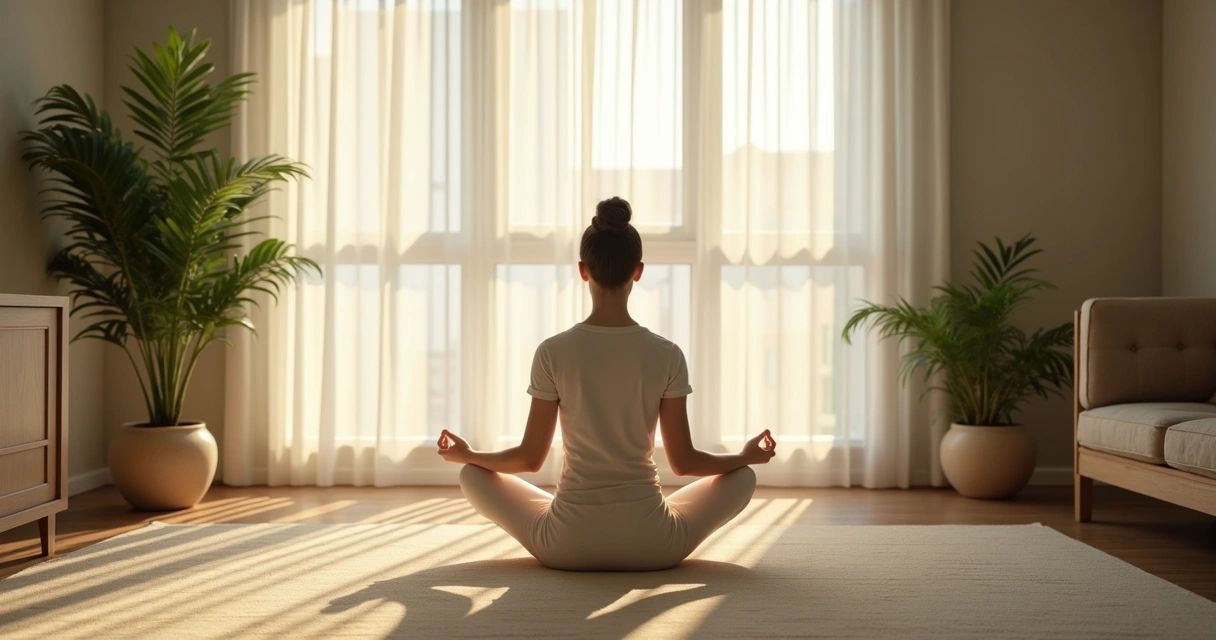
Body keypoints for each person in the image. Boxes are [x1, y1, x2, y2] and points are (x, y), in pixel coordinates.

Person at [436, 196, 777, 571]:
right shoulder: (666, 354)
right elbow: (683, 463)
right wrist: (746, 457)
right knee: (742, 477)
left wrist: (467, 455)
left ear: (583, 270)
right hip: (653, 545)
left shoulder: (553, 351)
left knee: (472, 475)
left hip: (565, 545)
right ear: (639, 270)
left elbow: (530, 459)